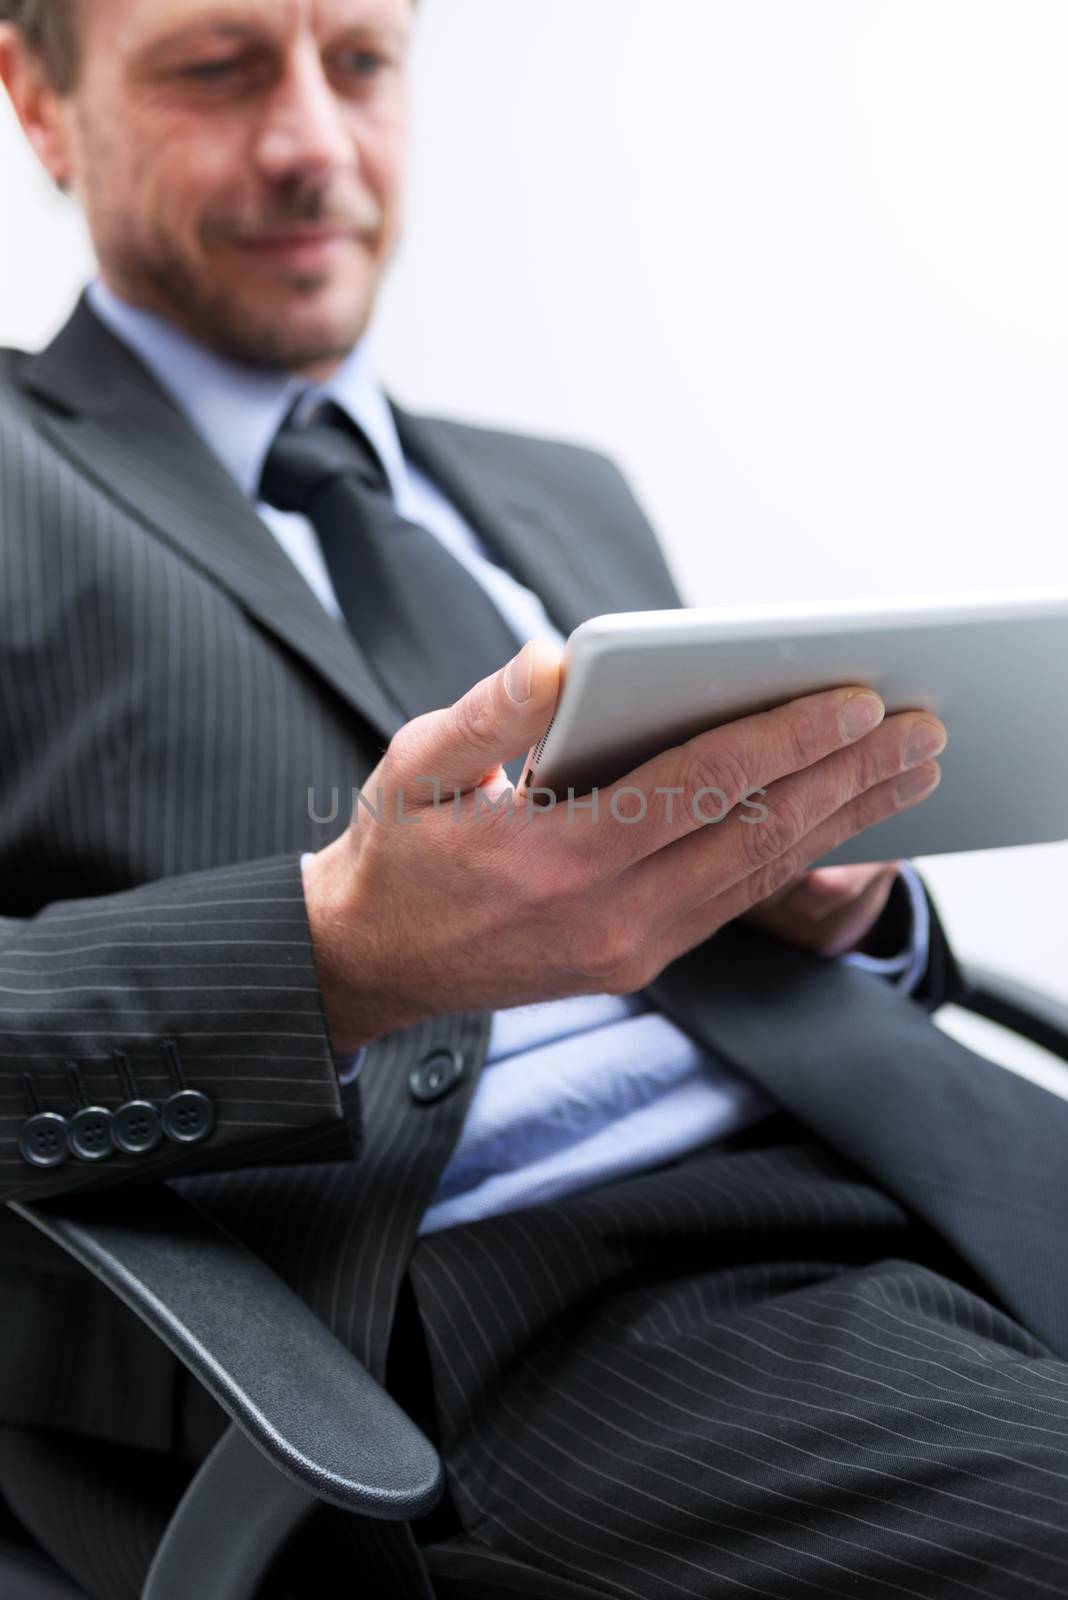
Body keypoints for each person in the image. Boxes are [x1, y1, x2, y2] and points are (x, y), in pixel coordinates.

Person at [1, 3, 1066, 1597]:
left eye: (360, 64)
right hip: (535, 1305)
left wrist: (841, 894)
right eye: (217, 69)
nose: (312, 143)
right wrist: (339, 951)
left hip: (939, 1161)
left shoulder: (564, 488)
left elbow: (754, 906)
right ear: (41, 98)